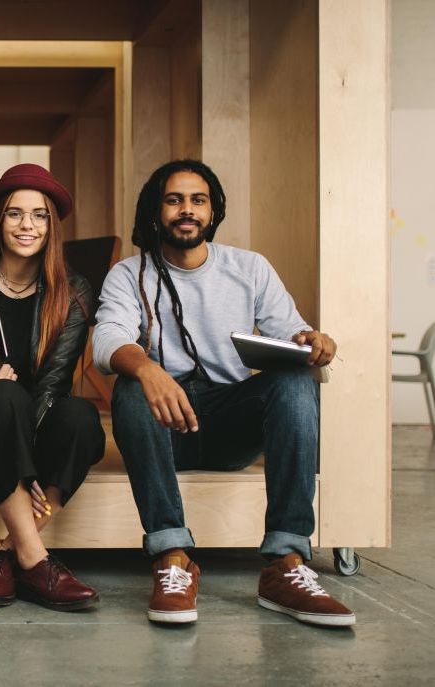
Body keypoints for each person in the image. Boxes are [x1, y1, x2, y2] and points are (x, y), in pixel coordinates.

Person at [92, 159, 355, 627]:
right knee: (132, 384)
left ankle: (285, 563)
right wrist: (149, 368)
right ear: (157, 211)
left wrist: (312, 342)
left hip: (229, 423)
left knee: (296, 380)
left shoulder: (249, 268)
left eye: (198, 200)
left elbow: (290, 331)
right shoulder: (128, 273)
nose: (186, 210)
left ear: (213, 212)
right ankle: (172, 558)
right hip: (163, 428)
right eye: (174, 200)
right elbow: (108, 338)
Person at [0, 164, 104, 611]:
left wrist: (25, 464)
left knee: (83, 417)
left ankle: (8, 553)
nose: (27, 225)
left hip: (35, 424)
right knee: (2, 395)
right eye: (15, 214)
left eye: (39, 215)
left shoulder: (75, 290)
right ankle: (37, 560)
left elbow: (54, 382)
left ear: (52, 225)